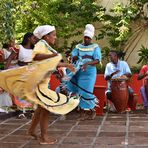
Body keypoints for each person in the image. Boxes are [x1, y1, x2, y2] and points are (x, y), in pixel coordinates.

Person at [28, 25, 76, 144]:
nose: (55, 37)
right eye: (53, 35)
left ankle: (31, 130)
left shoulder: (46, 46)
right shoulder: (41, 44)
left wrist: (66, 66)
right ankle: (44, 138)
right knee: (46, 108)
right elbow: (36, 56)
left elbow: (49, 63)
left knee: (41, 108)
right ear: (46, 36)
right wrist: (53, 56)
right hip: (39, 83)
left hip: (42, 82)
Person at [67, 24, 102, 120]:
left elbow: (97, 60)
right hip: (80, 72)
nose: (86, 39)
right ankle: (82, 113)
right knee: (80, 92)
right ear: (83, 37)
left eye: (88, 38)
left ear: (91, 38)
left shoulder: (95, 47)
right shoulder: (78, 47)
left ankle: (92, 110)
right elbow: (74, 56)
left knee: (87, 92)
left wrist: (87, 63)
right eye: (85, 37)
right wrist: (72, 57)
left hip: (90, 73)